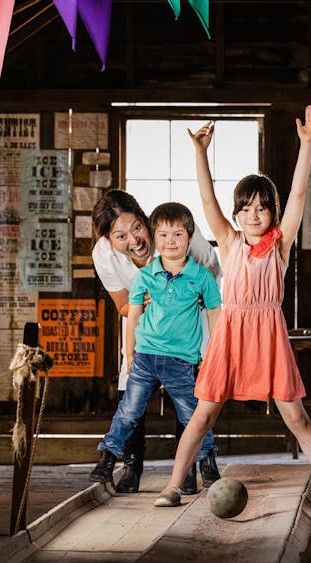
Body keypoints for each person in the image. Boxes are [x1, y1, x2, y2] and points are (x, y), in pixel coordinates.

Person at [154, 105, 311, 509]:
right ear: (237, 213)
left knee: (296, 418)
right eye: (246, 208)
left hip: (269, 333)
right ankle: (173, 486)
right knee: (203, 414)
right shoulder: (227, 241)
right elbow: (206, 201)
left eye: (262, 207)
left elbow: (298, 193)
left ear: (272, 213)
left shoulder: (280, 244)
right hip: (231, 332)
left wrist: (307, 144)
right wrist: (200, 153)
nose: (253, 215)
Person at [92, 190, 222, 493]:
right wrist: (148, 306)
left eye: (136, 227)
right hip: (144, 330)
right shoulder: (105, 254)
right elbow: (124, 307)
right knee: (131, 397)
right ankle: (132, 465)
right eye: (120, 236)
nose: (134, 240)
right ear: (110, 239)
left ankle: (189, 468)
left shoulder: (176, 235)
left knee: (190, 399)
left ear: (145, 220)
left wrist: (179, 305)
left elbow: (210, 282)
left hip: (189, 320)